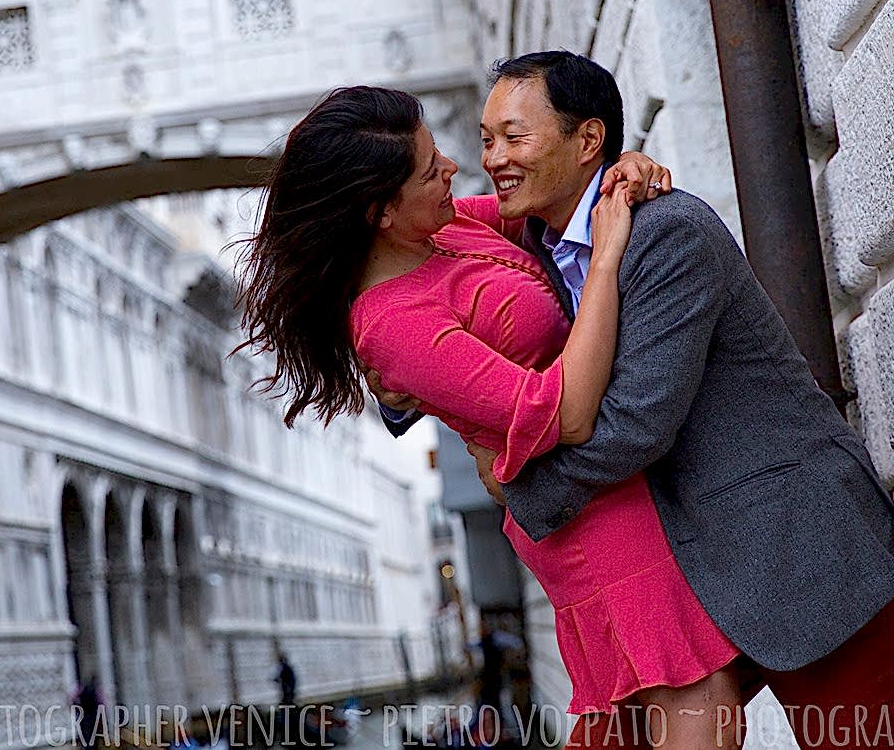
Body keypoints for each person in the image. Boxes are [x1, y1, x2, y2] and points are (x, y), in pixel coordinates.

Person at [372, 51, 894, 750]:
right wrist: (386, 373)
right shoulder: (527, 240)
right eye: (487, 139)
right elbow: (402, 280)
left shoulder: (668, 233)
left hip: (799, 550)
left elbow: (635, 425)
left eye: (513, 137)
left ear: (588, 140)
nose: (491, 159)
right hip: (684, 576)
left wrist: (525, 494)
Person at [236, 86, 739, 750]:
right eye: (428, 167)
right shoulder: (392, 325)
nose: (451, 166)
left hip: (617, 483)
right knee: (700, 700)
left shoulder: (443, 228)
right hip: (587, 516)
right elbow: (565, 413)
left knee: (646, 717)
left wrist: (621, 171)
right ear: (379, 212)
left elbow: (547, 208)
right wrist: (609, 257)